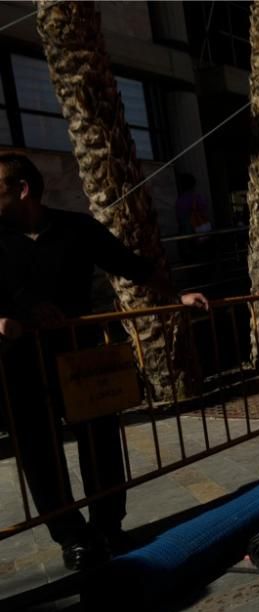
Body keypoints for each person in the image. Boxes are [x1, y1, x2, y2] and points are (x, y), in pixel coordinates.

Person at [0, 153, 209, 570]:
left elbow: (130, 265)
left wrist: (177, 296)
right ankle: (72, 538)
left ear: (21, 189)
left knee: (100, 440)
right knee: (38, 453)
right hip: (18, 364)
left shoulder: (76, 229)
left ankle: (108, 525)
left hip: (81, 354)